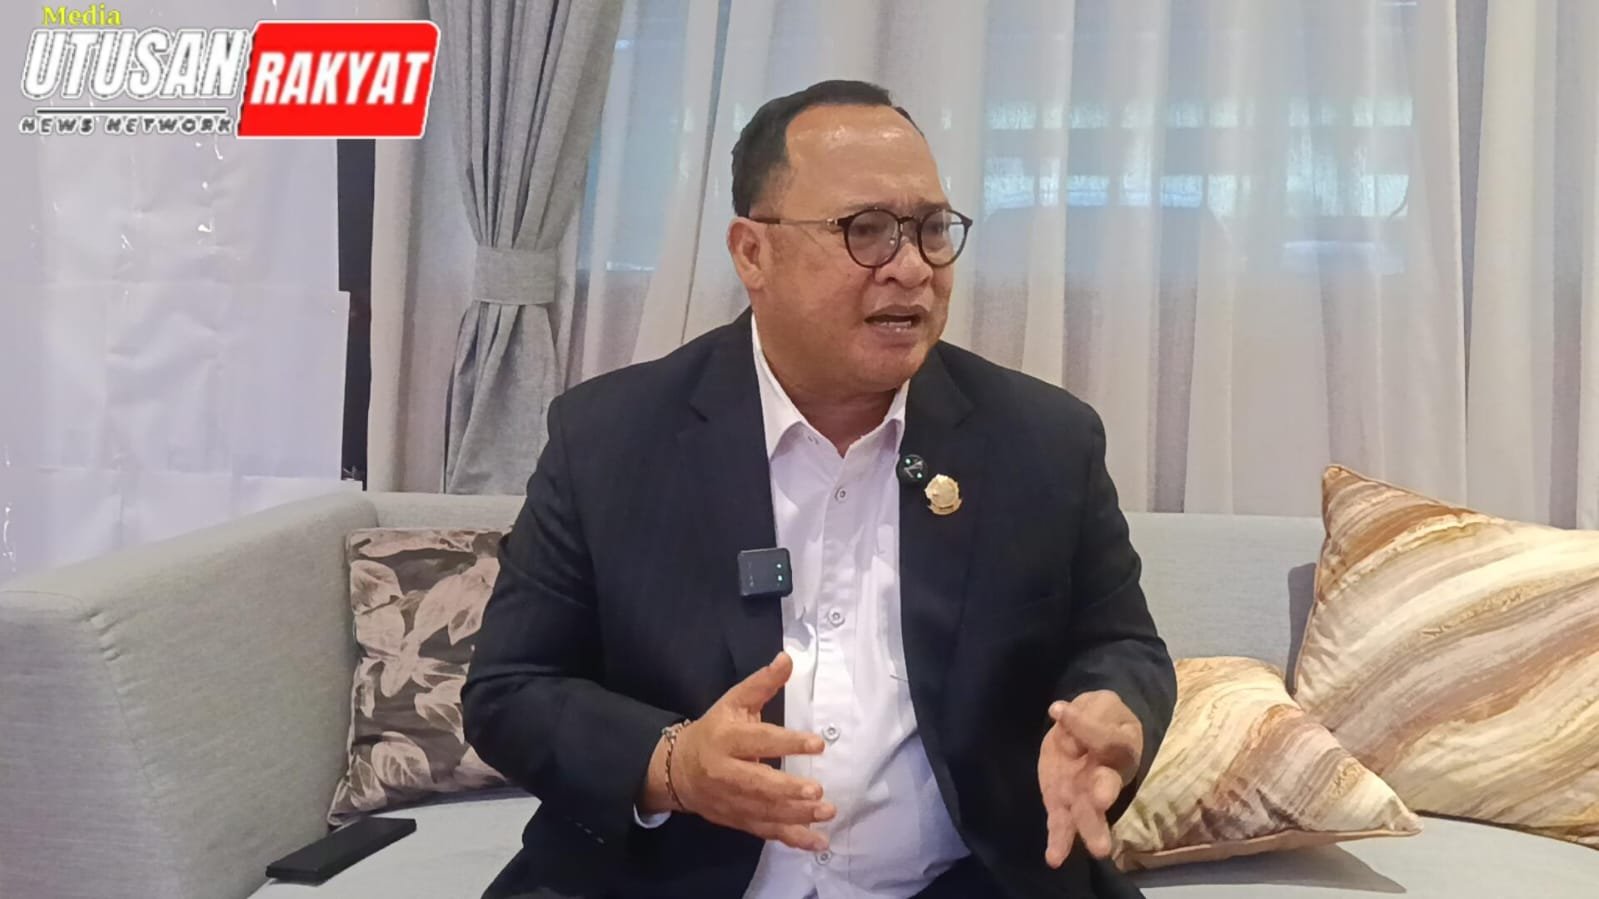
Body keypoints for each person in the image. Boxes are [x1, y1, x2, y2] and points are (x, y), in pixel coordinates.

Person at [463, 79, 1177, 899]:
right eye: (864, 230)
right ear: (751, 253)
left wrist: (1112, 713)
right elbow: (510, 689)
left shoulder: (1042, 441)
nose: (911, 268)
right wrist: (671, 765)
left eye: (931, 229)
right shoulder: (609, 438)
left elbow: (1123, 646)